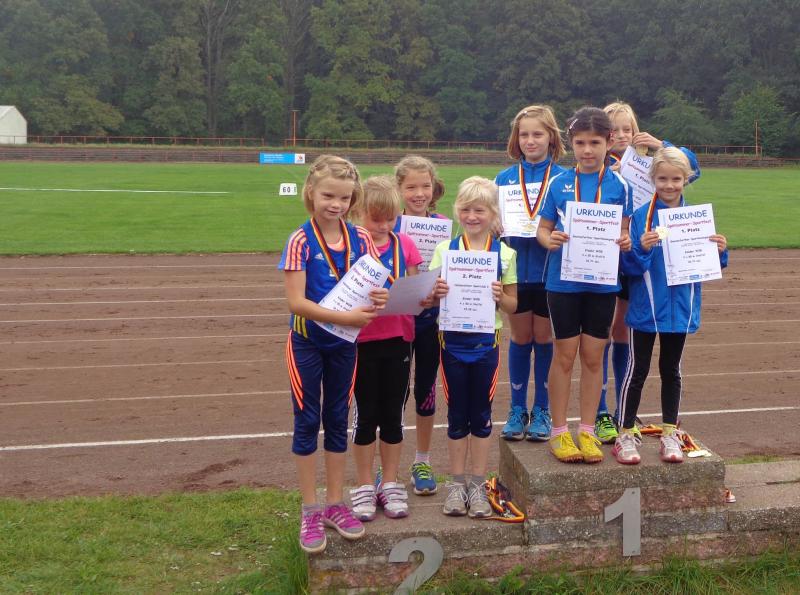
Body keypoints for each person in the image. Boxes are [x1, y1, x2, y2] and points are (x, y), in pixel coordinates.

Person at [279, 155, 388, 554]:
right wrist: (346, 316)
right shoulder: (300, 240)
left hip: (344, 345)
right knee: (308, 421)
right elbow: (296, 303)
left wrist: (380, 296)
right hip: (307, 343)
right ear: (311, 192)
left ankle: (335, 504)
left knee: (339, 420)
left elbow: (375, 284)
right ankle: (310, 509)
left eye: (344, 198)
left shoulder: (361, 238)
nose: (336, 204)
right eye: (328, 195)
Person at [594, 102, 703, 444]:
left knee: (631, 342)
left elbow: (690, 166)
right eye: (614, 130)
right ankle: (605, 412)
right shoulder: (597, 165)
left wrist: (661, 145)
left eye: (627, 129)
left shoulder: (648, 163)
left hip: (646, 264)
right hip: (608, 257)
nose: (621, 135)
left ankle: (630, 414)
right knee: (608, 337)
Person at [612, 147, 728, 464]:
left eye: (676, 179)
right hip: (646, 308)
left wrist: (720, 251)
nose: (669, 185)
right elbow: (629, 269)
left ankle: (669, 433)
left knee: (671, 370)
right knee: (636, 370)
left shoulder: (696, 218)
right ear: (653, 179)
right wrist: (641, 248)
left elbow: (710, 265)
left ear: (686, 179)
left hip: (680, 309)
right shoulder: (640, 218)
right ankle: (625, 433)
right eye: (662, 179)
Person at [536, 107, 632, 464]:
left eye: (595, 142)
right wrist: (549, 240)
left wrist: (625, 240)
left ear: (609, 141)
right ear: (570, 143)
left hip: (602, 284)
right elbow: (542, 229)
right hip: (563, 283)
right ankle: (559, 432)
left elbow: (625, 230)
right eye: (580, 143)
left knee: (593, 357)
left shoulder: (620, 185)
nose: (587, 150)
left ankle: (587, 431)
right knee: (564, 356)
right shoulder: (559, 183)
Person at [429, 176, 517, 516]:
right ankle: (456, 484)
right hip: (451, 344)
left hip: (485, 345)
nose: (472, 216)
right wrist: (435, 293)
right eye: (466, 209)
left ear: (493, 213)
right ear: (457, 211)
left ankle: (478, 484)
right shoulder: (445, 250)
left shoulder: (505, 254)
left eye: (479, 210)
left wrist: (500, 297)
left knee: (481, 415)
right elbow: (429, 299)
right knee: (456, 415)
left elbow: (513, 305)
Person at [348, 176, 424, 520]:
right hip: (361, 340)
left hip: (398, 338)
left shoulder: (405, 243)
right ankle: (365, 484)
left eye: (390, 219)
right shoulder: (350, 245)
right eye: (375, 219)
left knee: (393, 414)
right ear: (358, 213)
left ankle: (390, 482)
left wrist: (427, 294)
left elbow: (416, 289)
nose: (383, 226)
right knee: (366, 415)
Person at [495, 105, 567, 442]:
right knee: (521, 339)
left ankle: (542, 408)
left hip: (551, 273)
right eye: (524, 134)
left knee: (545, 339)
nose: (530, 140)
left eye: (537, 134)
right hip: (516, 274)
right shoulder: (504, 179)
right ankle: (517, 409)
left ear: (551, 137)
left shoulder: (564, 179)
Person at [393, 155, 449, 495]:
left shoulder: (443, 225)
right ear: (398, 189)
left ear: (434, 187)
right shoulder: (389, 224)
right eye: (411, 187)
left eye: (425, 186)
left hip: (431, 322)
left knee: (426, 390)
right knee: (394, 394)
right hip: (396, 323)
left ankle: (422, 461)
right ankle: (388, 469)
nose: (419, 194)